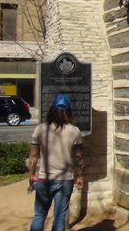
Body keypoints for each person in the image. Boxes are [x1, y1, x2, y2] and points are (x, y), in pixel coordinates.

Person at [28, 95, 85, 231]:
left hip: (45, 178)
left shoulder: (40, 129)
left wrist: (32, 175)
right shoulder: (74, 131)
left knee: (40, 215)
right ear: (69, 111)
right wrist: (81, 177)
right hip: (65, 179)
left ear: (52, 109)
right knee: (60, 216)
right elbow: (79, 157)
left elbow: (33, 155)